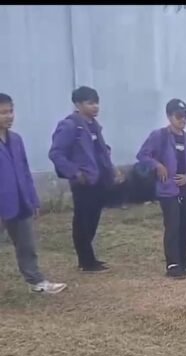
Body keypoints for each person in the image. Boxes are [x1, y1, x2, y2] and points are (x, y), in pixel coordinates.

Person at [49, 86, 121, 273]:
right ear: (78, 104)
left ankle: (89, 259)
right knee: (82, 220)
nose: (95, 107)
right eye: (90, 103)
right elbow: (56, 153)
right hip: (83, 182)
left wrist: (112, 170)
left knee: (93, 219)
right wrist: (75, 173)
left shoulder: (94, 126)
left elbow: (102, 152)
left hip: (99, 180)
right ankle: (86, 261)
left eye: (96, 103)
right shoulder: (70, 125)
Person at [0, 93, 67, 294]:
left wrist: (32, 199)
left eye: (11, 111)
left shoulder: (16, 140)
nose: (9, 116)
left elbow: (24, 171)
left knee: (26, 245)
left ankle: (36, 281)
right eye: (3, 113)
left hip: (20, 201)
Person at [136, 98, 186, 279]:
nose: (183, 120)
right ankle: (172, 265)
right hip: (167, 189)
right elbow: (142, 155)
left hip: (184, 189)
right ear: (169, 116)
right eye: (179, 116)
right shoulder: (159, 136)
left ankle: (183, 262)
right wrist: (157, 165)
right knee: (173, 225)